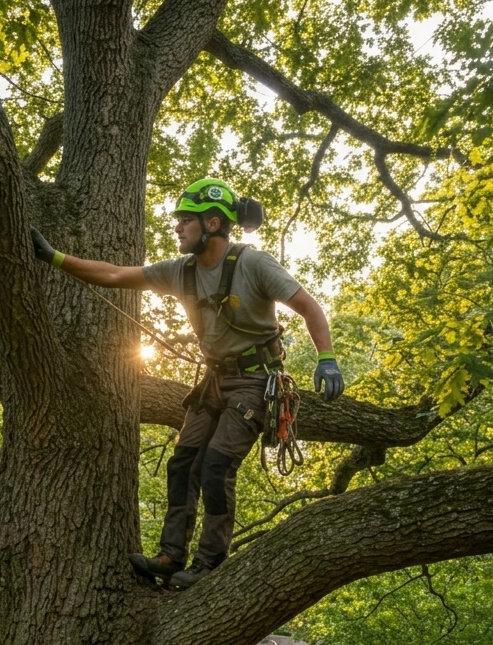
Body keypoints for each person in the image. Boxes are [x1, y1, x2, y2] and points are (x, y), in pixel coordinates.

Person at [31, 177, 344, 589]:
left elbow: (308, 306)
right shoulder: (181, 271)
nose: (176, 228)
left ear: (213, 223)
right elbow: (111, 275)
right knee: (183, 462)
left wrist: (327, 359)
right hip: (215, 382)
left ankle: (209, 564)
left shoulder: (253, 264)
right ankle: (169, 555)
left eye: (185, 221)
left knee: (216, 466)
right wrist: (54, 258)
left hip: (255, 381)